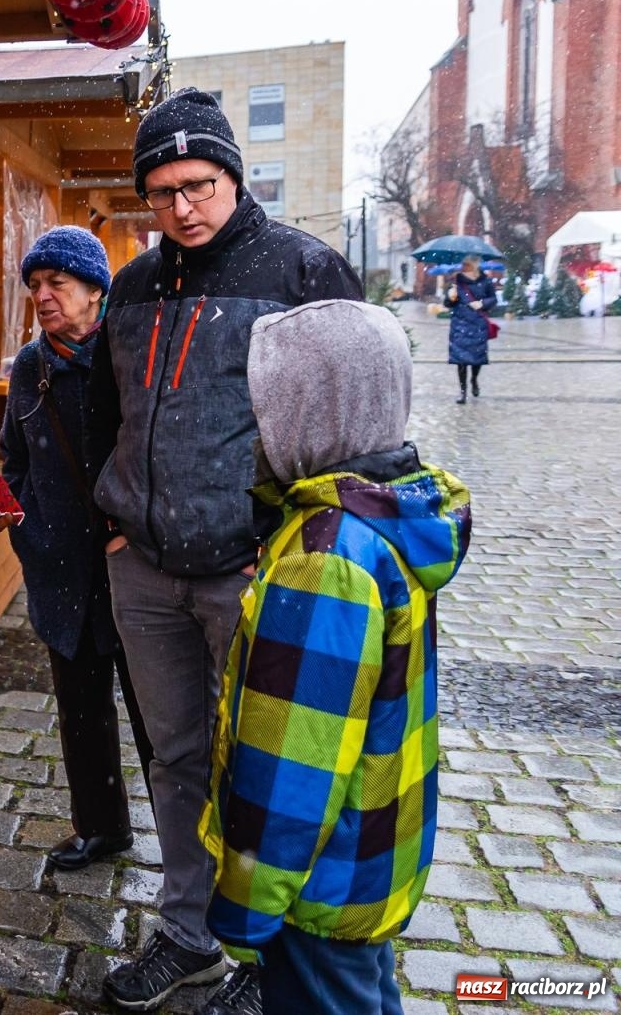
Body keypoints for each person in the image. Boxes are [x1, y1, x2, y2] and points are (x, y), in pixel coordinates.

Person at [87, 88, 363, 1015]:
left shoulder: (304, 270)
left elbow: (349, 428)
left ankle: (268, 956)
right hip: (147, 569)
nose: (181, 207)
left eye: (198, 184)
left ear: (234, 176)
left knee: (264, 767)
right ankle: (189, 931)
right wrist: (115, 522)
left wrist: (288, 548)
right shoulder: (129, 285)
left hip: (254, 572)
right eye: (160, 192)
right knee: (173, 756)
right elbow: (105, 413)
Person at [204, 299, 471, 1014]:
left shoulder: (325, 559)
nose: (257, 426)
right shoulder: (386, 516)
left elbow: (294, 761)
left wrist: (245, 901)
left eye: (268, 405)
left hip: (318, 881)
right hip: (371, 853)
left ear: (310, 411)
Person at [0, 226, 154, 874]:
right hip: (62, 569)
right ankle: (100, 827)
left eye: (57, 283)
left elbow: (161, 449)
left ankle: (190, 838)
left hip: (136, 571)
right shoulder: (32, 367)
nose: (43, 295)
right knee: (81, 709)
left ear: (95, 290)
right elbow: (12, 459)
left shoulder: (132, 355)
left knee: (159, 717)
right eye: (34, 285)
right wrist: (29, 529)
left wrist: (141, 525)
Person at [446, 253, 496, 403]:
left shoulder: (485, 281)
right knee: (460, 359)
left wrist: (482, 304)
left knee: (477, 359)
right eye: (463, 265)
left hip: (478, 324)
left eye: (466, 264)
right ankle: (463, 392)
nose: (463, 267)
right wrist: (450, 297)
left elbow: (493, 299)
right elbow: (448, 304)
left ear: (474, 265)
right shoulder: (456, 282)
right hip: (460, 324)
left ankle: (474, 379)